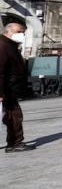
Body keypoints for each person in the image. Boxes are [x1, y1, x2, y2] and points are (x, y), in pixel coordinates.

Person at [1, 22, 34, 152]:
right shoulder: (3, 46)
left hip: (10, 89)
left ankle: (14, 142)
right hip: (7, 90)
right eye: (20, 32)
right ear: (10, 32)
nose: (23, 35)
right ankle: (15, 143)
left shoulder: (10, 46)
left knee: (13, 116)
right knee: (14, 116)